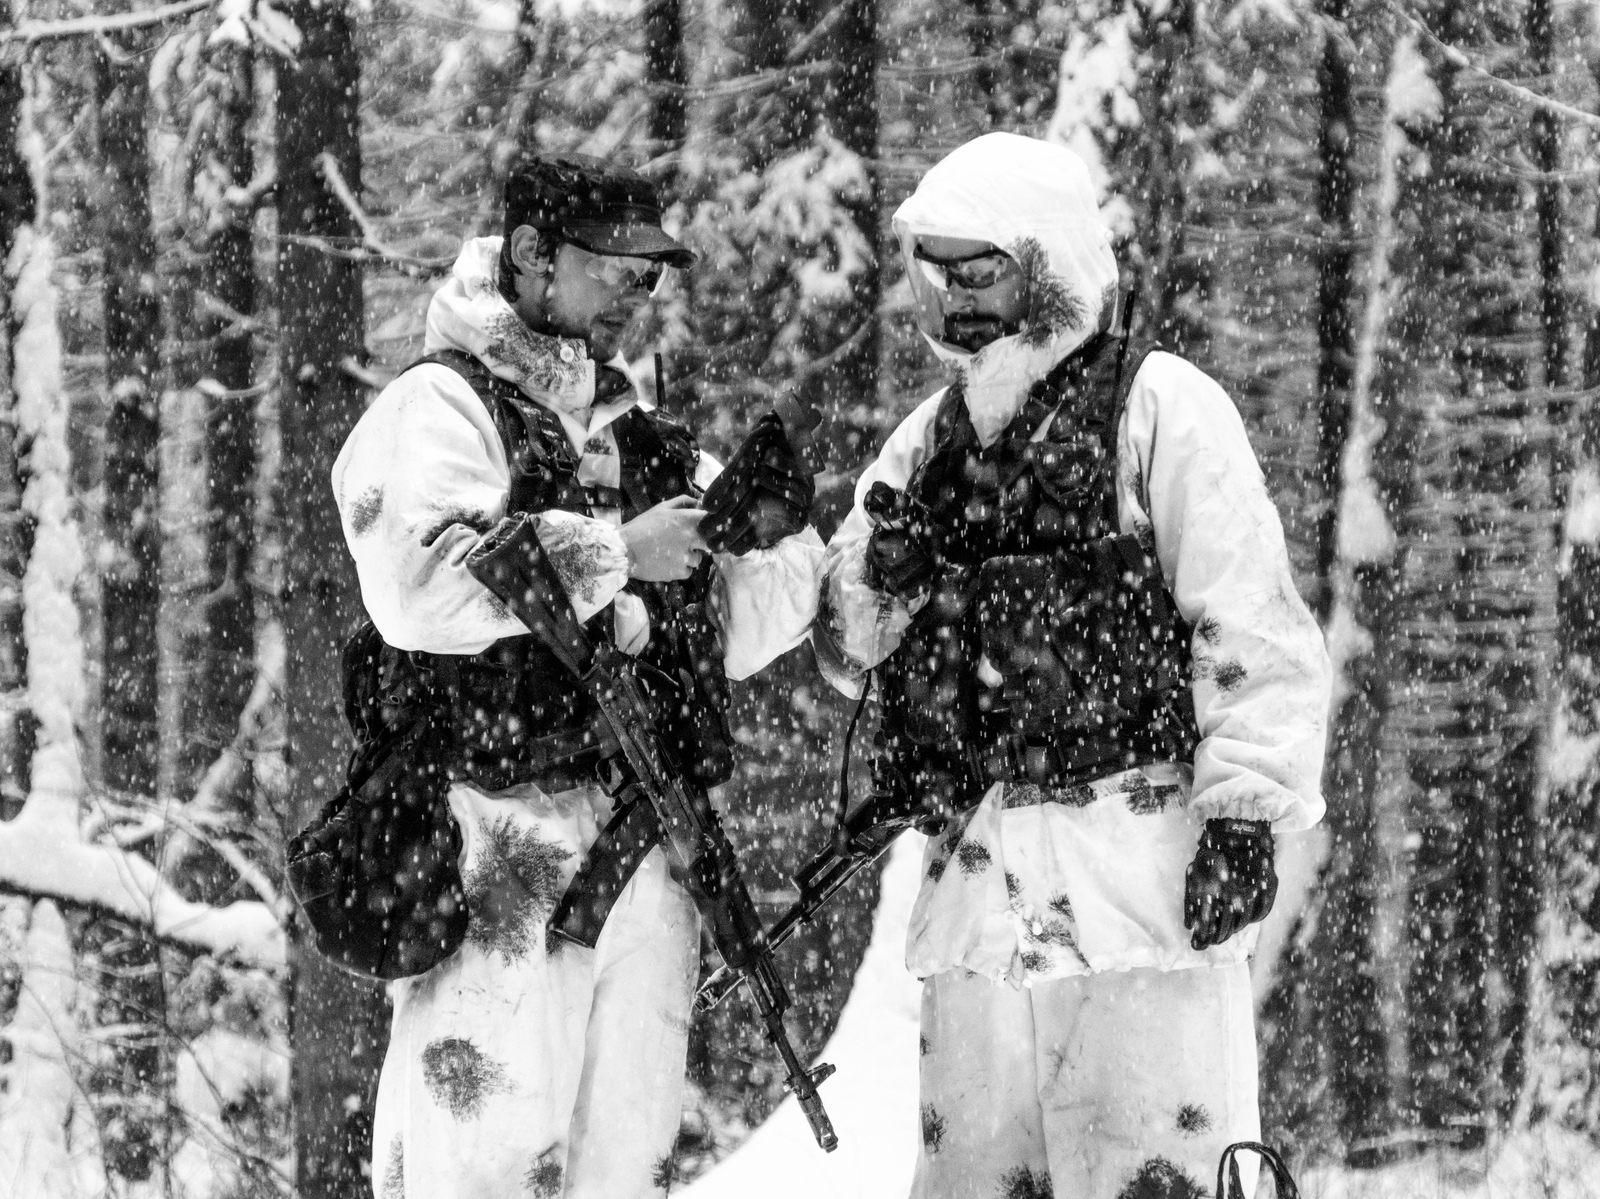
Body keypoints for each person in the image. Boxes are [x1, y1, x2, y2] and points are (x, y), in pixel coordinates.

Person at [812, 132, 1330, 1198]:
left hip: (1139, 882)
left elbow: (1249, 627)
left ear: (1045, 262)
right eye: (934, 268)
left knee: (1156, 1175)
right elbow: (848, 646)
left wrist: (1243, 814)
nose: (952, 296)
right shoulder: (926, 441)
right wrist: (884, 584)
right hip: (978, 901)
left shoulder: (1161, 409)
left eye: (980, 268)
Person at [331, 152, 823, 1199]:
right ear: (531, 257)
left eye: (651, 277)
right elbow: (421, 582)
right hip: (494, 837)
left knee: (623, 1163)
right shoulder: (439, 405)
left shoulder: (634, 435)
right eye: (615, 269)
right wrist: (614, 550)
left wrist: (782, 540)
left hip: (642, 840)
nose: (637, 298)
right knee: (482, 1167)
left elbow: (727, 630)